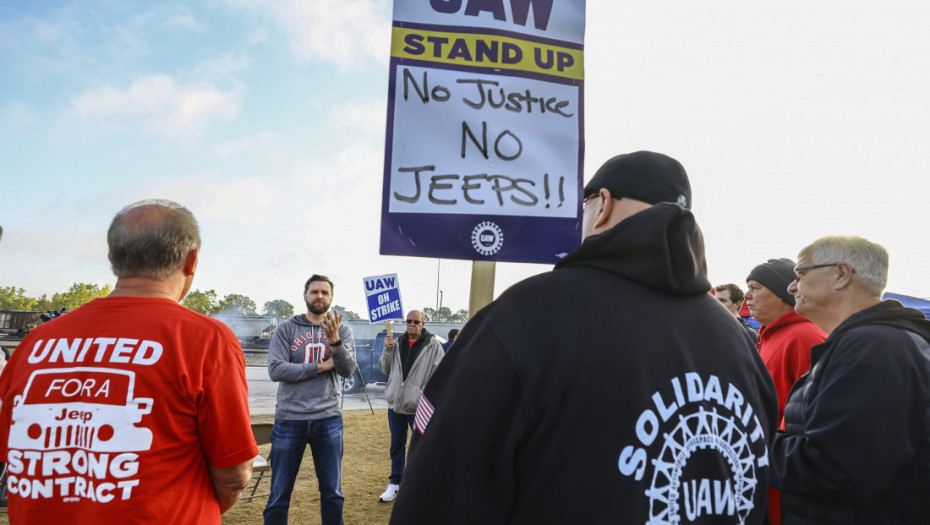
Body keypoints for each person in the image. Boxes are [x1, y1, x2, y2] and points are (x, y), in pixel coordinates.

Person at [389, 151, 778, 524]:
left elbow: (440, 488)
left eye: (583, 205)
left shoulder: (529, 314)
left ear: (603, 203)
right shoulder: (739, 341)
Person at [0, 199, 257, 524]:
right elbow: (234, 475)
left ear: (113, 259)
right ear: (191, 260)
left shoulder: (36, 343)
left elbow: (16, 453)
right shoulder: (205, 339)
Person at [771, 236, 930, 524]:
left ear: (841, 274)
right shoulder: (873, 341)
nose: (791, 286)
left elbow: (837, 470)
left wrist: (754, 442)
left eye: (800, 274)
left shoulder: (873, 347)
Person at [264, 274, 357, 525]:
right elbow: (277, 370)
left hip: (328, 420)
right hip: (289, 420)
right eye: (314, 292)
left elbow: (348, 370)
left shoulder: (343, 330)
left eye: (324, 293)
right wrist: (322, 366)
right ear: (305, 295)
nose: (319, 296)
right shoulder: (287, 329)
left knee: (332, 494)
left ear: (331, 298)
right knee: (279, 494)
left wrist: (335, 343)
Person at [377, 309, 445, 502]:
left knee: (421, 448)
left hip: (418, 408)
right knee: (396, 446)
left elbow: (439, 375)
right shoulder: (397, 342)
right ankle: (395, 483)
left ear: (423, 324)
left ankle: (420, 484)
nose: (412, 324)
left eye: (416, 321)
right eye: (408, 321)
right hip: (395, 406)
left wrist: (422, 394)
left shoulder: (432, 345)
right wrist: (388, 350)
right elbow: (385, 369)